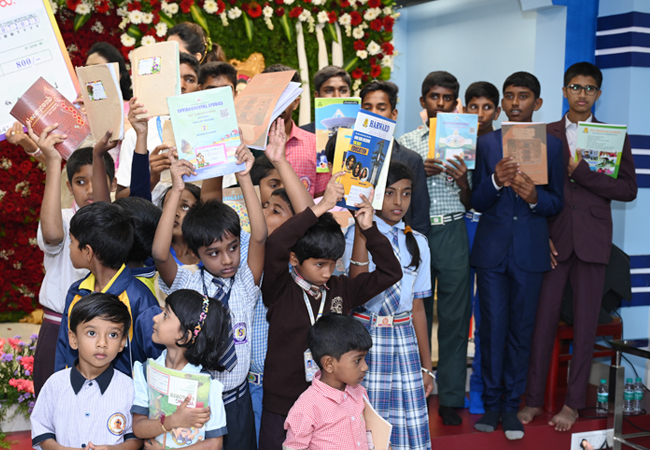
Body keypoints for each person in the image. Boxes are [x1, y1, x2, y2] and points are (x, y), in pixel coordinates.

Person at [519, 62, 638, 432]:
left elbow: (628, 190)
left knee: (587, 324)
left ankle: (572, 404)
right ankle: (534, 399)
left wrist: (582, 172)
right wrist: (541, 235)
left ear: (598, 94)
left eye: (589, 88)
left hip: (593, 241)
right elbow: (530, 189)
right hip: (553, 241)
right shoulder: (546, 133)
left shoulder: (612, 136)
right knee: (542, 323)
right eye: (575, 86)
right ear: (564, 91)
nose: (582, 93)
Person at [258, 175, 402, 450]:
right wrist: (321, 207)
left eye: (333, 263)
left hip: (331, 407)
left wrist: (369, 229)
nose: (327, 272)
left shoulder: (342, 289)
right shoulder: (279, 289)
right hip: (283, 403)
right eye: (319, 264)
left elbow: (391, 272)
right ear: (294, 259)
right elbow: (276, 245)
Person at [152, 139, 265, 450]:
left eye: (232, 248)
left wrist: (244, 177)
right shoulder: (187, 284)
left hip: (236, 400)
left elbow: (260, 236)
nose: (227, 259)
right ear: (196, 253)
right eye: (214, 253)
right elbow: (160, 254)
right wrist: (176, 190)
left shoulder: (245, 281)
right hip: (194, 404)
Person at [471, 71, 564, 439]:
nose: (514, 103)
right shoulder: (488, 144)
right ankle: (491, 404)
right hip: (492, 250)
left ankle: (512, 405)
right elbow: (476, 200)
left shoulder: (553, 146)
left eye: (523, 96)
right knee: (491, 329)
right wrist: (494, 181)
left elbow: (557, 201)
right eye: (509, 96)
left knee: (520, 332)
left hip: (529, 251)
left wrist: (534, 197)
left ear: (537, 103)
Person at [397, 70, 471, 426]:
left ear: (455, 102)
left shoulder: (466, 139)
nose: (440, 104)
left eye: (447, 98)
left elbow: (476, 199)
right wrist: (416, 172)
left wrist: (464, 179)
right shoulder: (407, 142)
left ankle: (453, 396)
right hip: (418, 233)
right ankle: (417, 388)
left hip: (455, 228)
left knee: (456, 318)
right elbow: (394, 194)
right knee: (416, 317)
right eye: (433, 97)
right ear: (423, 101)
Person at [343, 162, 433, 450]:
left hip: (403, 338)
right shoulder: (353, 235)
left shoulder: (418, 242)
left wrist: (427, 366)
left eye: (406, 194)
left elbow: (417, 308)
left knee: (406, 425)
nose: (398, 202)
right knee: (367, 424)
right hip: (366, 338)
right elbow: (356, 287)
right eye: (390, 193)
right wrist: (362, 229)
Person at [28, 125, 116, 397]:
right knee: (52, 410)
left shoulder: (118, 222)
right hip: (58, 329)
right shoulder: (62, 218)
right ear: (69, 186)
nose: (89, 189)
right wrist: (53, 163)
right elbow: (53, 236)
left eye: (96, 180)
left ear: (112, 183)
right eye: (80, 182)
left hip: (104, 334)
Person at [54, 201, 160, 376]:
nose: (70, 247)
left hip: (125, 400)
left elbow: (157, 358)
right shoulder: (76, 292)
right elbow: (64, 349)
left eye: (72, 241)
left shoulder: (139, 299)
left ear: (87, 251)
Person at [31, 293, 140, 450]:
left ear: (123, 342)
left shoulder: (129, 388)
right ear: (74, 339)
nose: (102, 343)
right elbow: (42, 431)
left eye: (113, 335)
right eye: (91, 333)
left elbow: (135, 438)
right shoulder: (55, 384)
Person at [324, 81, 431, 236]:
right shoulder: (347, 153)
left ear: (393, 114)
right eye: (368, 108)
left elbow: (419, 215)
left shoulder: (411, 159)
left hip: (396, 241)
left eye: (381, 108)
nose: (374, 114)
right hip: (354, 237)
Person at [131, 289, 231, 448]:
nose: (155, 318)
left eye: (165, 315)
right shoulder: (146, 371)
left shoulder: (207, 386)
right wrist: (172, 421)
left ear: (184, 336)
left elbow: (214, 444)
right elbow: (138, 427)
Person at [462, 81, 502, 415]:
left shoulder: (504, 143)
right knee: (459, 312)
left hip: (490, 231)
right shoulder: (454, 139)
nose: (480, 114)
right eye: (473, 107)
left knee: (484, 314)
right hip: (460, 228)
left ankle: (480, 392)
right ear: (464, 109)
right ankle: (456, 388)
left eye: (487, 107)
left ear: (497, 111)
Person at [115, 52, 200, 201]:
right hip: (152, 221)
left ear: (199, 89)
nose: (181, 85)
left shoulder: (209, 131)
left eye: (189, 79)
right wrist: (151, 177)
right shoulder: (136, 135)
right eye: (174, 78)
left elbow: (223, 194)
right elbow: (120, 199)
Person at [283, 313, 373, 450]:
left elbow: (367, 434)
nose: (365, 366)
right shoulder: (307, 406)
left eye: (365, 358)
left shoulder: (360, 392)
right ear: (329, 364)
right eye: (357, 360)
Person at [261, 64, 329, 198]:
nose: (276, 102)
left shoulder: (316, 144)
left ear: (296, 102)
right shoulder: (250, 142)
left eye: (283, 95)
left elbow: (321, 198)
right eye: (271, 94)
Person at [299, 65, 352, 134]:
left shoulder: (362, 134)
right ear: (317, 96)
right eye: (329, 91)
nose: (337, 96)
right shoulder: (302, 133)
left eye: (343, 91)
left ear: (349, 94)